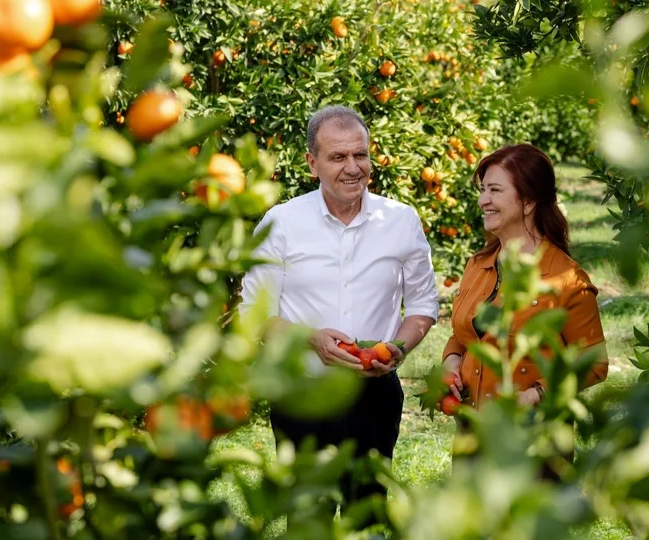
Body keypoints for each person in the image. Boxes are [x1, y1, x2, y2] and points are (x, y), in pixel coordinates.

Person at [238, 105, 439, 524]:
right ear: (312, 163)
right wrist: (311, 338)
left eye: (360, 155)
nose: (353, 168)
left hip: (375, 393)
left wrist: (397, 348)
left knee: (367, 513)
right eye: (338, 157)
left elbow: (422, 307)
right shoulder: (281, 223)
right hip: (302, 393)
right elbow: (254, 316)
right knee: (306, 517)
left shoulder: (401, 221)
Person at [441, 143, 608, 412]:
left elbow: (594, 363)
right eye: (483, 190)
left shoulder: (566, 279)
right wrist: (451, 361)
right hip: (473, 431)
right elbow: (465, 335)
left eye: (495, 190)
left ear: (529, 201)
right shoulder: (478, 264)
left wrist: (535, 394)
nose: (483, 200)